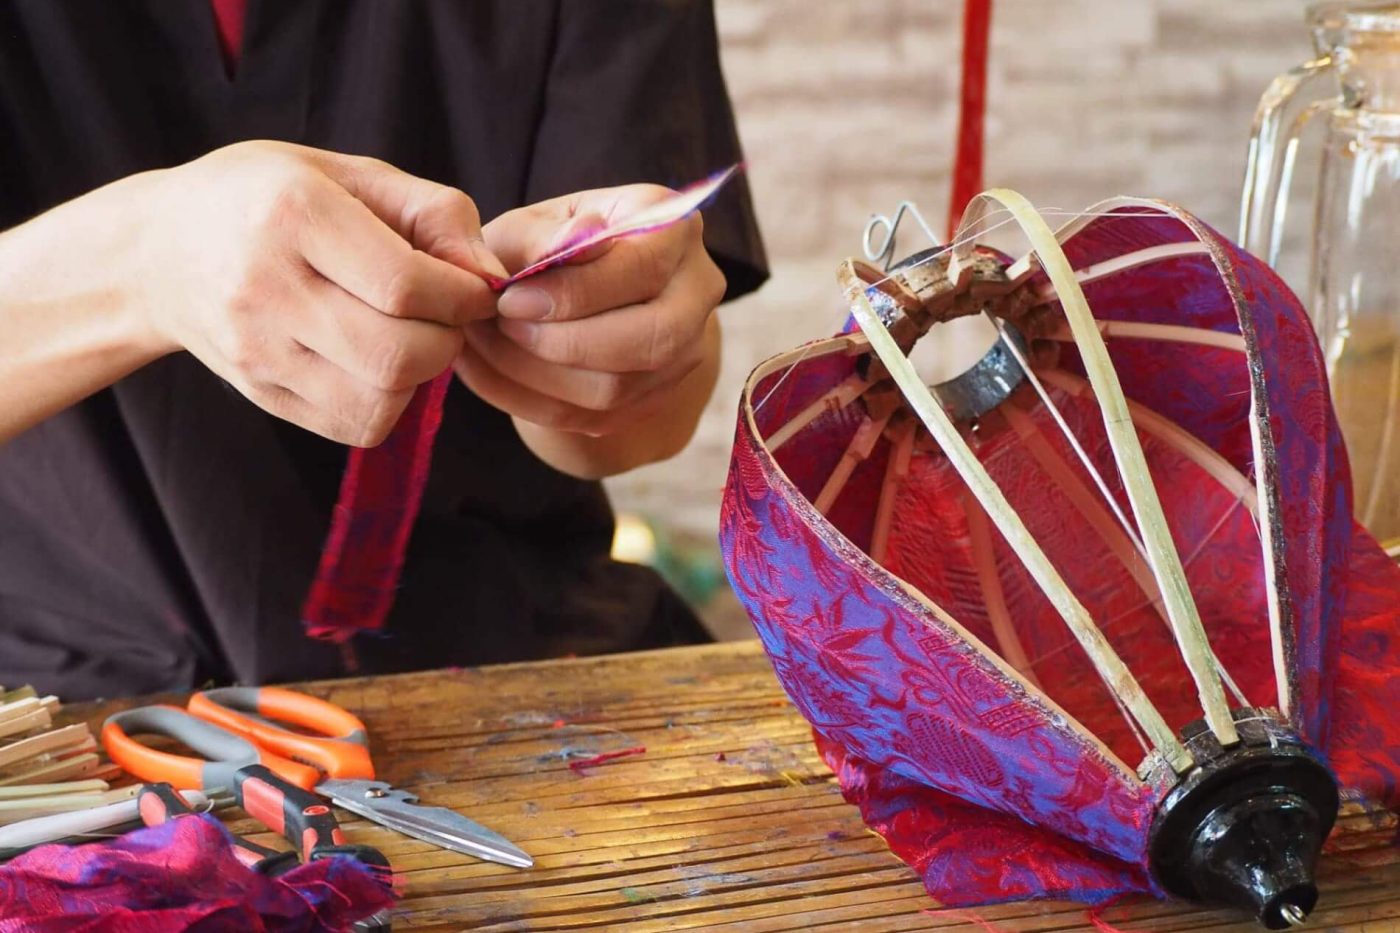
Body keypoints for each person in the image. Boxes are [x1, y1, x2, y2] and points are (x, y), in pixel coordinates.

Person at [0, 1, 767, 699]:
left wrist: (613, 349)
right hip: (60, 710)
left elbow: (640, 422)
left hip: (508, 669)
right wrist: (144, 260)